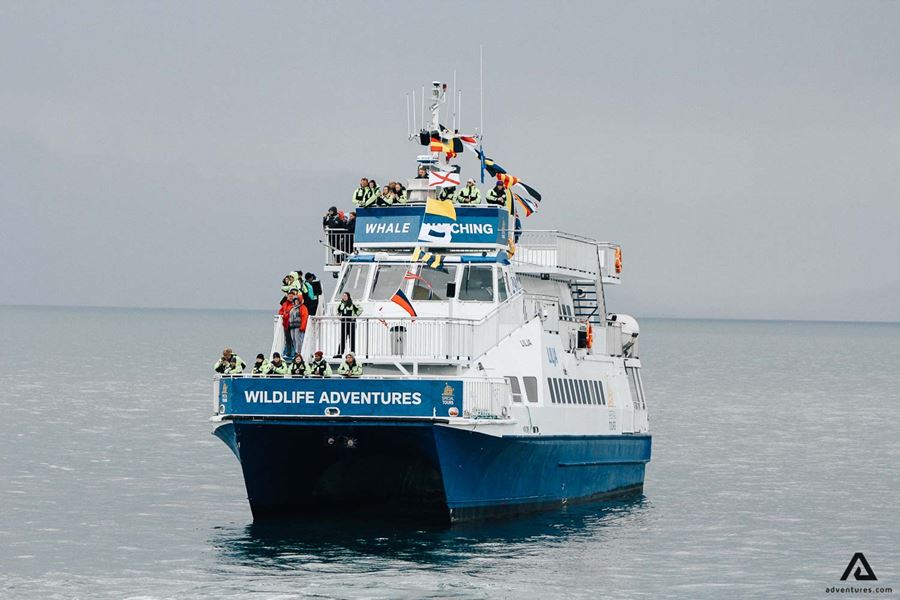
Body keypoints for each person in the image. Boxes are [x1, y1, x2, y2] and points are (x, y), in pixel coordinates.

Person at [335, 292, 362, 357]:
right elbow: (338, 311)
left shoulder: (352, 304)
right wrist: (338, 316)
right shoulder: (341, 304)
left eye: (345, 296)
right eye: (343, 296)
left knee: (352, 338)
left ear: (348, 297)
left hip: (351, 323)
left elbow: (360, 309)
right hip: (344, 323)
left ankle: (352, 353)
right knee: (343, 338)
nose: (344, 297)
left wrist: (355, 316)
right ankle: (339, 353)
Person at [279, 294, 294, 358]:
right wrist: (283, 314)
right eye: (289, 296)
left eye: (292, 296)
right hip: (286, 324)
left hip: (293, 324)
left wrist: (287, 314)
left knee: (293, 339)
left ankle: (294, 353)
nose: (290, 298)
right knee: (287, 339)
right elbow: (280, 311)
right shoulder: (285, 304)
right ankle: (288, 353)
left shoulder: (295, 304)